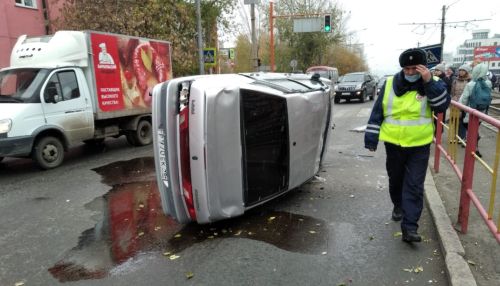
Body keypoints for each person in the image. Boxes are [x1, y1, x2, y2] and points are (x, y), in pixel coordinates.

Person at [364, 48, 450, 243]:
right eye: (407, 69)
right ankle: (398, 205)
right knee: (396, 180)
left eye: (414, 68)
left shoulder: (434, 84)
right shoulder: (389, 84)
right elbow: (377, 113)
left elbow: (442, 106)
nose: (410, 73)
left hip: (419, 145)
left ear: (423, 67)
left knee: (414, 185)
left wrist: (428, 81)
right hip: (394, 144)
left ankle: (410, 227)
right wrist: (371, 140)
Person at [458, 62, 492, 158]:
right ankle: (475, 146)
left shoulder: (470, 84)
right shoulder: (488, 83)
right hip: (482, 112)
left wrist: (461, 108)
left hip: (470, 112)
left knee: (470, 129)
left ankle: (473, 148)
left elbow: (464, 99)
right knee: (475, 129)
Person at [451, 64, 472, 141]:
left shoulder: (470, 80)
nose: (461, 72)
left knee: (463, 121)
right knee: (455, 120)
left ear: (467, 72)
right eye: (460, 70)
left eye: (463, 70)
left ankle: (462, 137)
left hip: (465, 104)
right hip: (456, 103)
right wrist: (453, 99)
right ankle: (456, 136)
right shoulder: (455, 80)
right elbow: (452, 92)